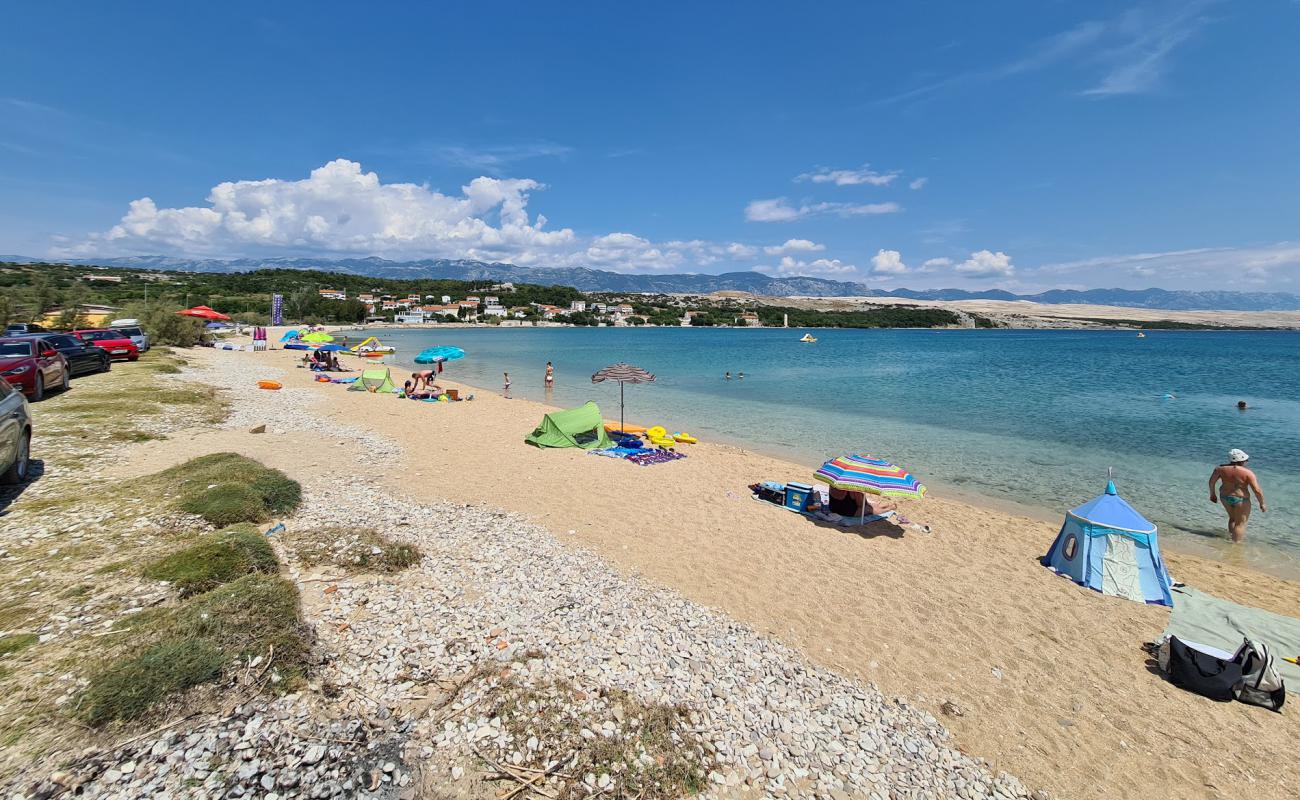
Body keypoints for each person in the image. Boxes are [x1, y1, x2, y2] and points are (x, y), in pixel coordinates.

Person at [1208, 449, 1267, 543]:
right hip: (1240, 499)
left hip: (1224, 497)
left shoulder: (1219, 469)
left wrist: (1212, 494)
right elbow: (1257, 490)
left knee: (1232, 518)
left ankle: (1231, 537)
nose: (1247, 462)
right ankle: (1235, 546)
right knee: (1240, 524)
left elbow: (1211, 482)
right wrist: (1262, 503)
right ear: (1242, 460)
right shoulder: (1247, 473)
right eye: (1246, 460)